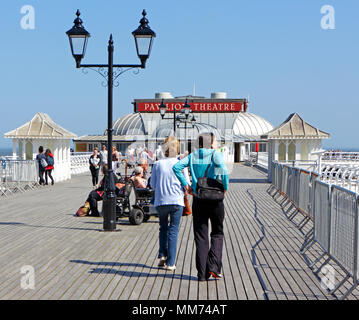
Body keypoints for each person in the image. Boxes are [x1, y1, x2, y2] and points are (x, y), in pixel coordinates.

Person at [173, 132, 229, 281]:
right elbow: (223, 170)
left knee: (201, 236)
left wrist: (187, 185)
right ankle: (214, 267)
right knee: (217, 232)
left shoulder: (192, 156)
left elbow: (176, 167)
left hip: (199, 198)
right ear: (211, 143)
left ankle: (202, 274)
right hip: (216, 198)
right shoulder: (215, 154)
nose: (216, 143)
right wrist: (225, 188)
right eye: (215, 141)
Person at [150, 136, 190, 271]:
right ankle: (170, 262)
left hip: (161, 200)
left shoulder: (157, 164)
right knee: (173, 231)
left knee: (163, 228)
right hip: (176, 201)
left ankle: (162, 254)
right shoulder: (181, 164)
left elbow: (152, 184)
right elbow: (187, 184)